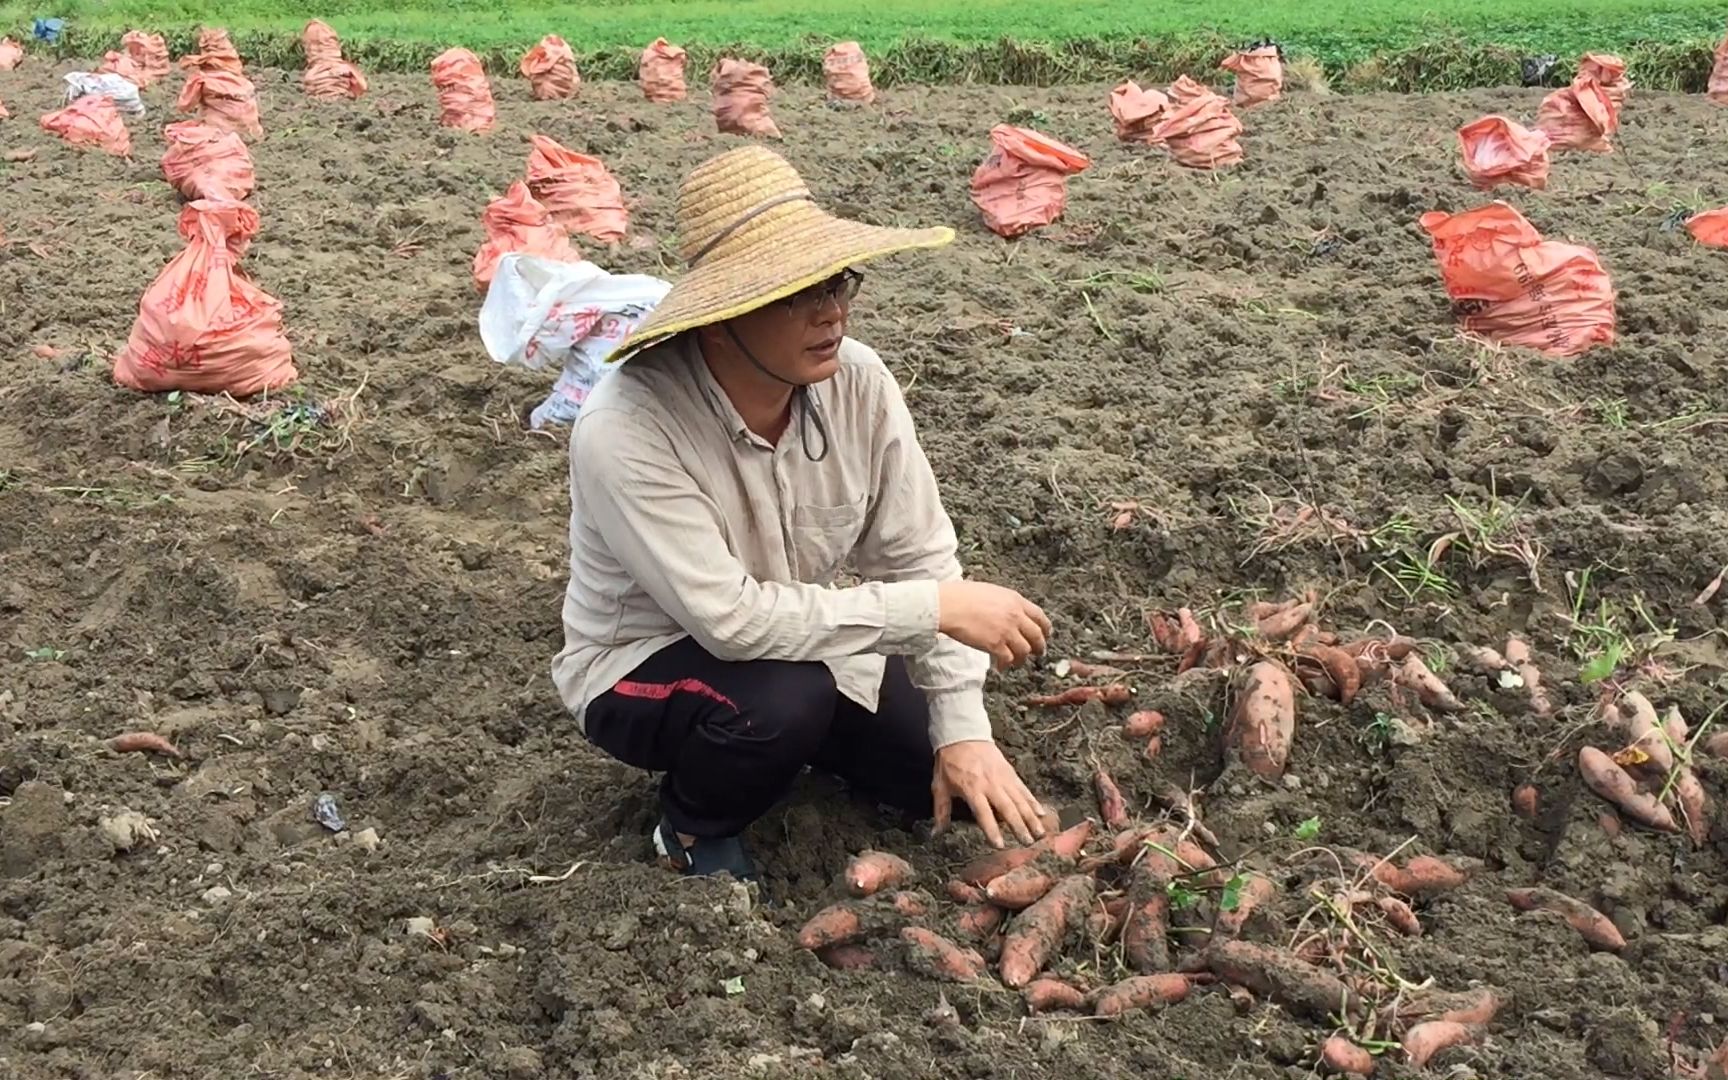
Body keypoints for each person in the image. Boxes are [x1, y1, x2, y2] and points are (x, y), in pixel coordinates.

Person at [553, 145, 1053, 882]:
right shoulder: (626, 429)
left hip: (802, 640)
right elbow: (730, 622)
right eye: (794, 293)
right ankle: (693, 826)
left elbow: (917, 555)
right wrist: (933, 608)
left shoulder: (861, 383)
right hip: (642, 665)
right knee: (781, 701)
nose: (830, 311)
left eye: (836, 282)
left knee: (925, 775)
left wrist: (961, 730)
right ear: (721, 321)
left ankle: (797, 750)